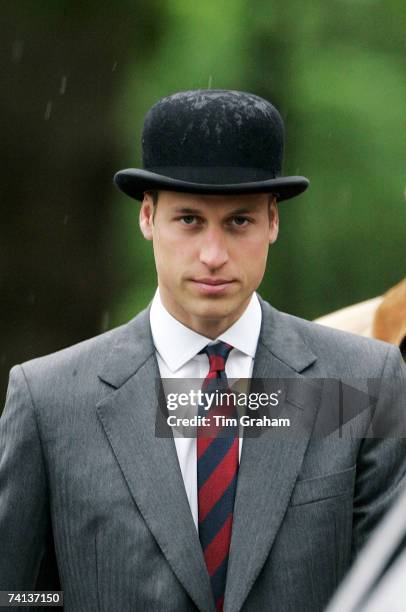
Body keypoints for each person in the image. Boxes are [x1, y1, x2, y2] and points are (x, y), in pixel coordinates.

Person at [0, 89, 405, 612]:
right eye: (189, 220)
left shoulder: (362, 382)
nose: (213, 255)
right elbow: (15, 593)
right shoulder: (49, 400)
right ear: (147, 218)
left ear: (273, 223)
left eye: (239, 221)